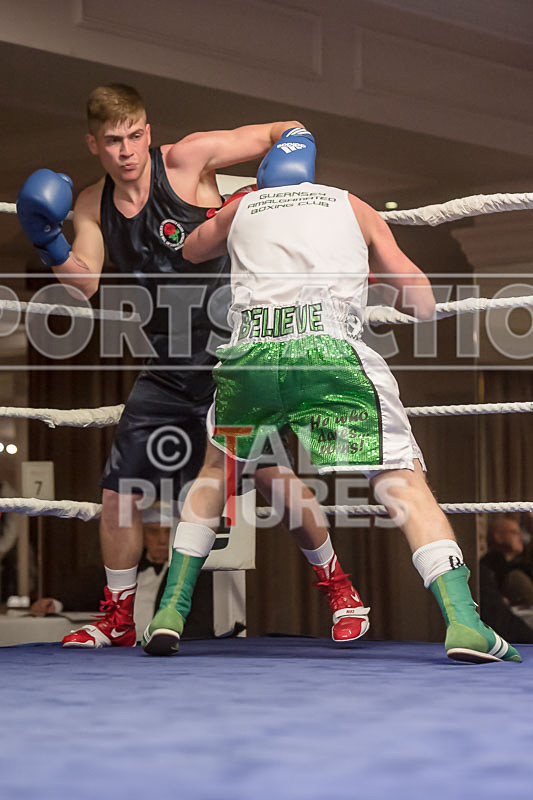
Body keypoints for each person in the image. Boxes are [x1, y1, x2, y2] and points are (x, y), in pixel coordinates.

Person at [142, 127, 522, 663]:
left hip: (251, 355)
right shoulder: (354, 205)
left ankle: (169, 612)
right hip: (329, 354)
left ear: (264, 175)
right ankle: (465, 622)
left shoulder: (242, 206)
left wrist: (227, 212)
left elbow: (190, 245)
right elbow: (423, 304)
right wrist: (363, 273)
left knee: (214, 475)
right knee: (402, 484)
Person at [17, 85, 367, 648]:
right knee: (119, 491)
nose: (127, 150)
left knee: (275, 480)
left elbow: (283, 127)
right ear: (94, 144)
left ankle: (340, 589)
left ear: (147, 132)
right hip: (168, 364)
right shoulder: (90, 204)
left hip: (236, 355)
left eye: (134, 135)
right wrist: (47, 241)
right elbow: (85, 284)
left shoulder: (188, 158)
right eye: (113, 141)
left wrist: (294, 144)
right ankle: (119, 617)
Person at [30, 514, 172, 641]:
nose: (162, 540)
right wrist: (55, 603)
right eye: (153, 532)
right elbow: (89, 593)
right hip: (120, 646)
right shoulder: (124, 564)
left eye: (169, 532)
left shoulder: (190, 574)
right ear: (140, 535)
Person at [481, 515, 533, 608]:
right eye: (514, 532)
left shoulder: (521, 563)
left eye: (521, 532)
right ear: (498, 537)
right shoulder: (488, 565)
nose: (521, 538)